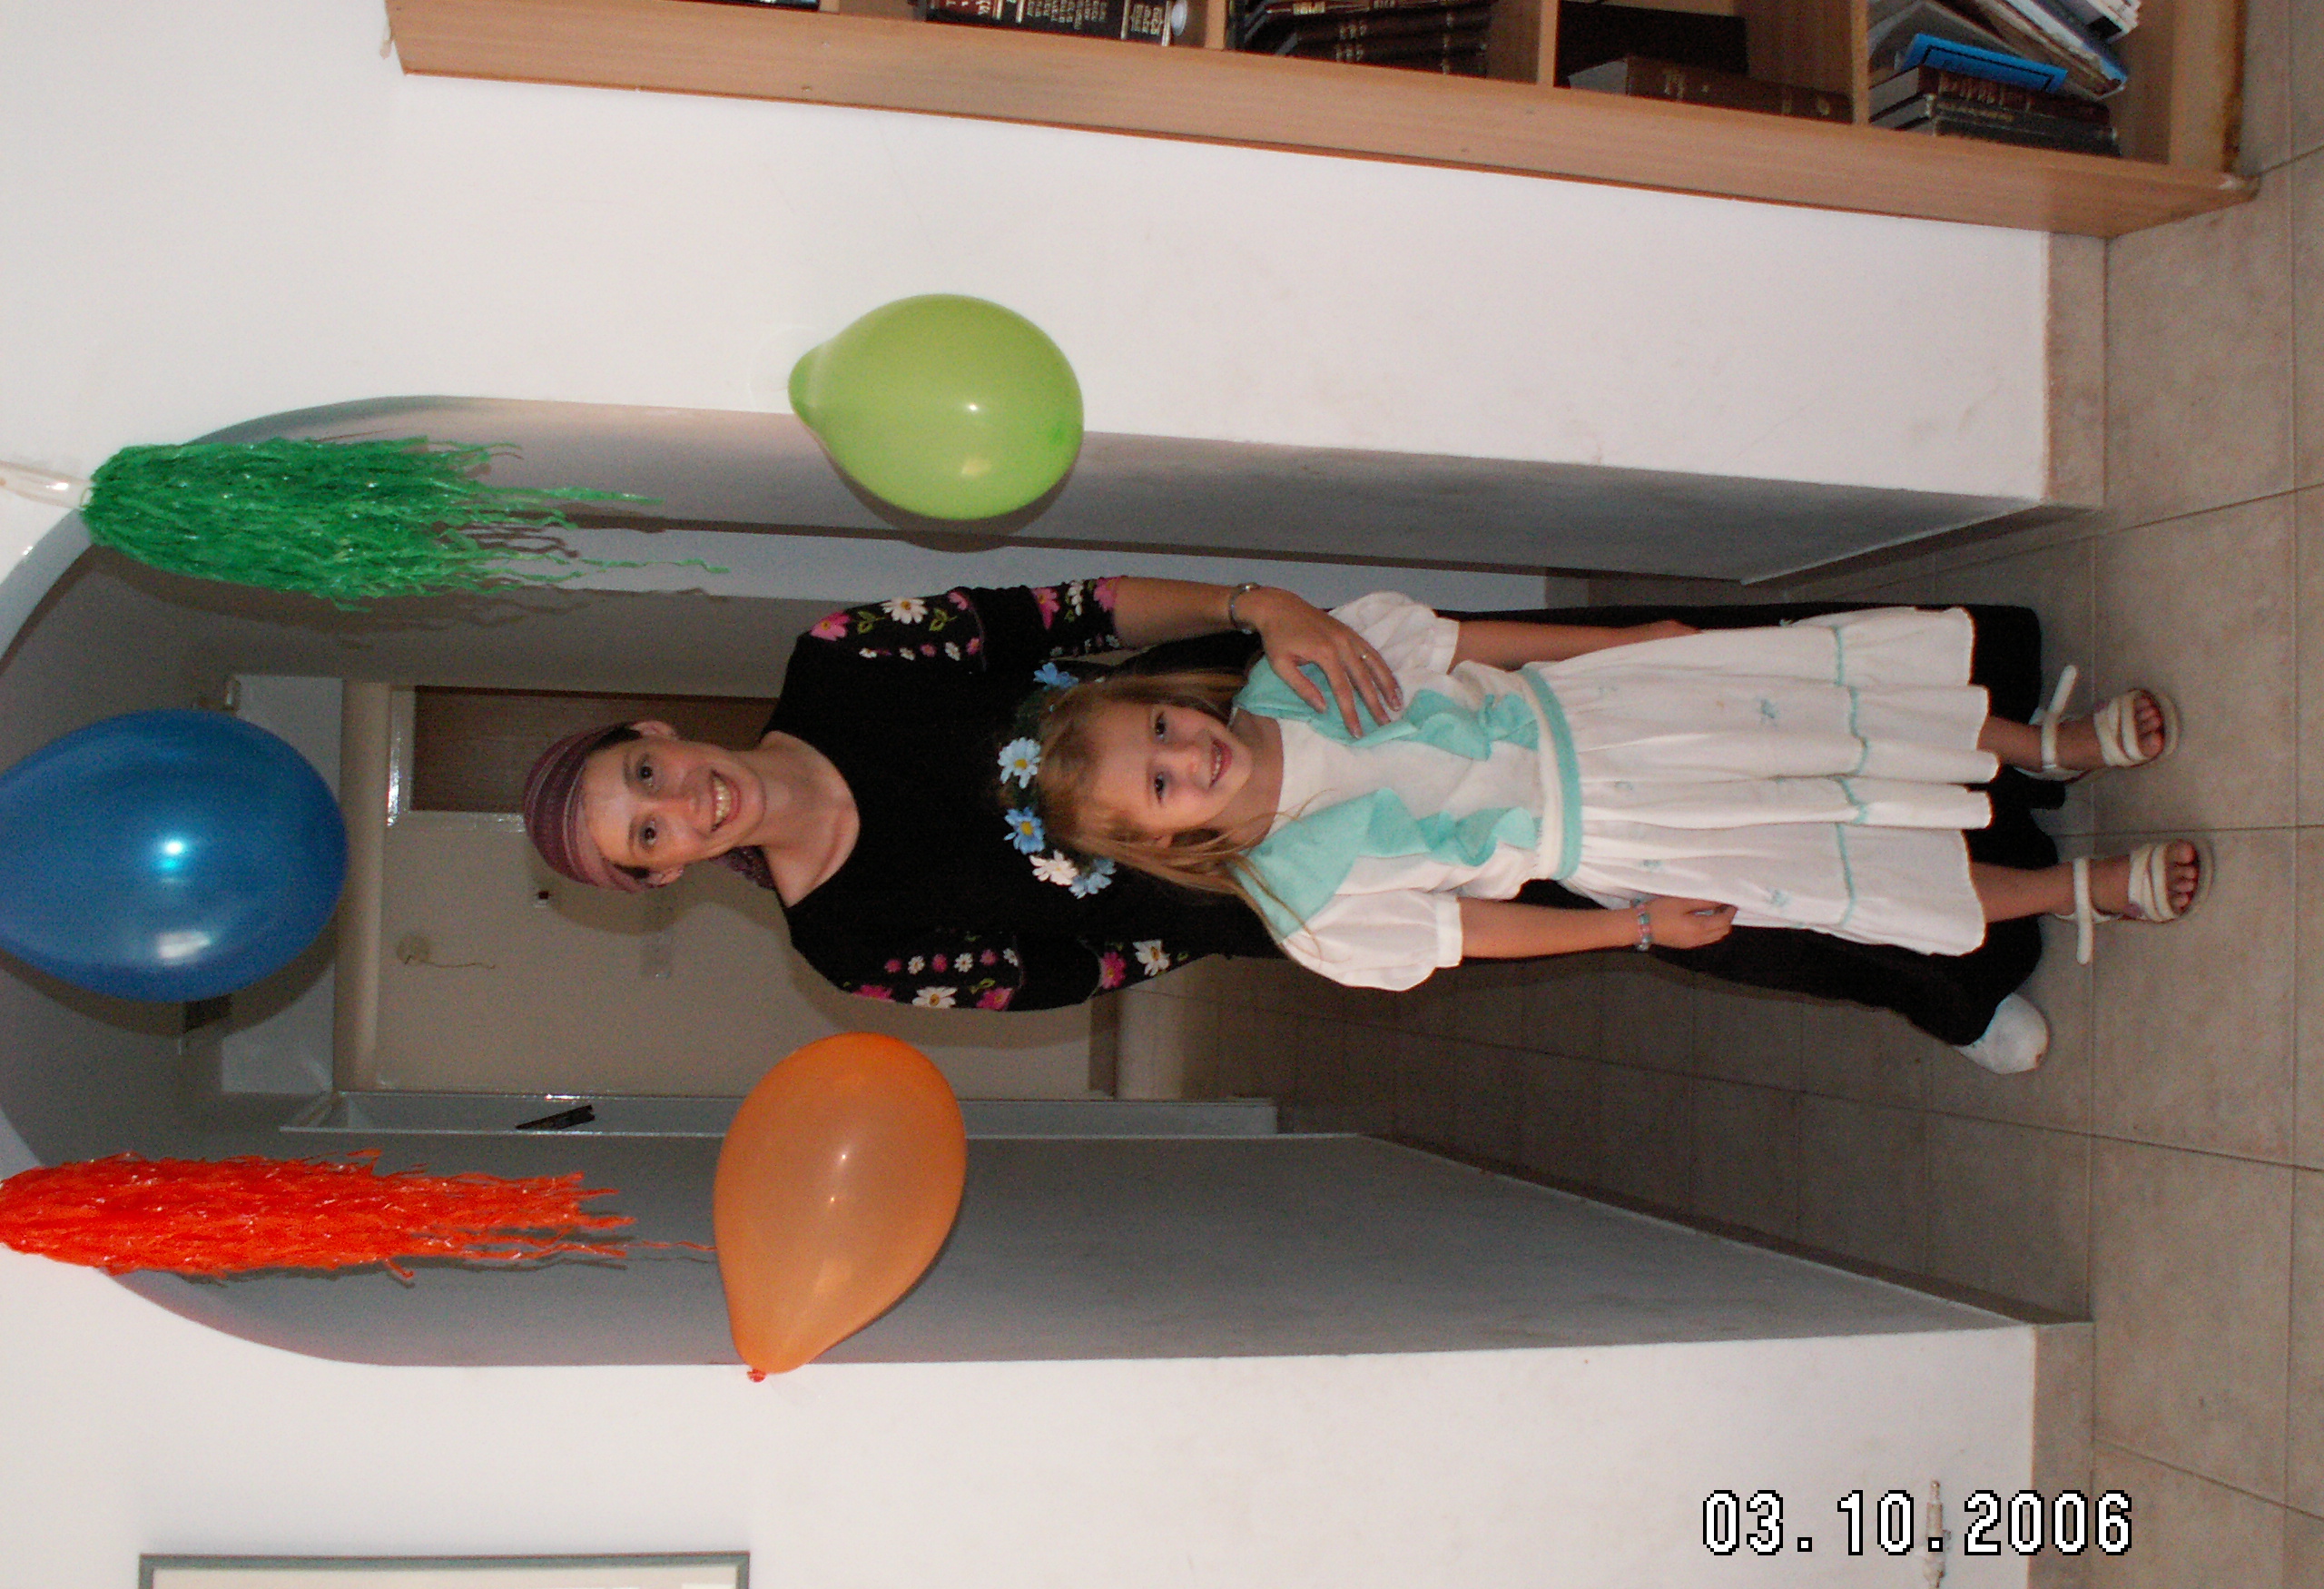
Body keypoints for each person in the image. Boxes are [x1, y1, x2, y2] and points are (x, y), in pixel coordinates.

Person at [1029, 592, 2200, 998]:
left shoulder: (1297, 671)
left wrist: (1621, 640)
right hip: (1617, 833)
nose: (1189, 754)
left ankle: (2043, 745)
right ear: (1160, 840)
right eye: (1163, 784)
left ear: (1168, 694)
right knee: (1831, 867)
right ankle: (2069, 888)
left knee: (1833, 712)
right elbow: (1473, 930)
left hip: (1601, 708)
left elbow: (1468, 641)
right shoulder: (1307, 905)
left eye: (1163, 726)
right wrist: (1631, 926)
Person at [522, 577, 1402, 1011]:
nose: (682, 804)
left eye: (645, 775)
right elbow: (1077, 970)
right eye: (648, 835)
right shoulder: (851, 948)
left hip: (1283, 700)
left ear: (656, 733)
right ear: (666, 872)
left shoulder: (842, 659)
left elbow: (1079, 612)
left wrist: (1256, 607)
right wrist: (1238, 916)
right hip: (1310, 887)